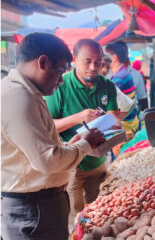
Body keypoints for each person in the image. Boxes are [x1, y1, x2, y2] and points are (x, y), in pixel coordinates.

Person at [1, 33, 105, 239]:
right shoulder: (17, 97)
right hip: (33, 208)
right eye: (60, 71)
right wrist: (85, 144)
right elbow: (46, 161)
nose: (61, 80)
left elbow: (37, 150)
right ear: (42, 62)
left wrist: (71, 144)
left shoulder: (30, 93)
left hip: (41, 204)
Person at [45, 38, 121, 220]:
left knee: (101, 213)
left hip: (98, 162)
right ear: (74, 59)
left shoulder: (107, 85)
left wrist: (113, 125)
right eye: (87, 61)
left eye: (98, 62)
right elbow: (48, 125)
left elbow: (114, 120)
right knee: (76, 217)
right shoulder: (60, 85)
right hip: (71, 165)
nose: (93, 67)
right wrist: (77, 118)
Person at [105, 42, 140, 140]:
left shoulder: (119, 78)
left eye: (105, 57)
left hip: (125, 129)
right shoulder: (123, 73)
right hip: (130, 125)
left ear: (114, 58)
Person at [113, 41, 149, 112]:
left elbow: (143, 99)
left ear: (127, 54)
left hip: (133, 118)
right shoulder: (108, 75)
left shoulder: (136, 75)